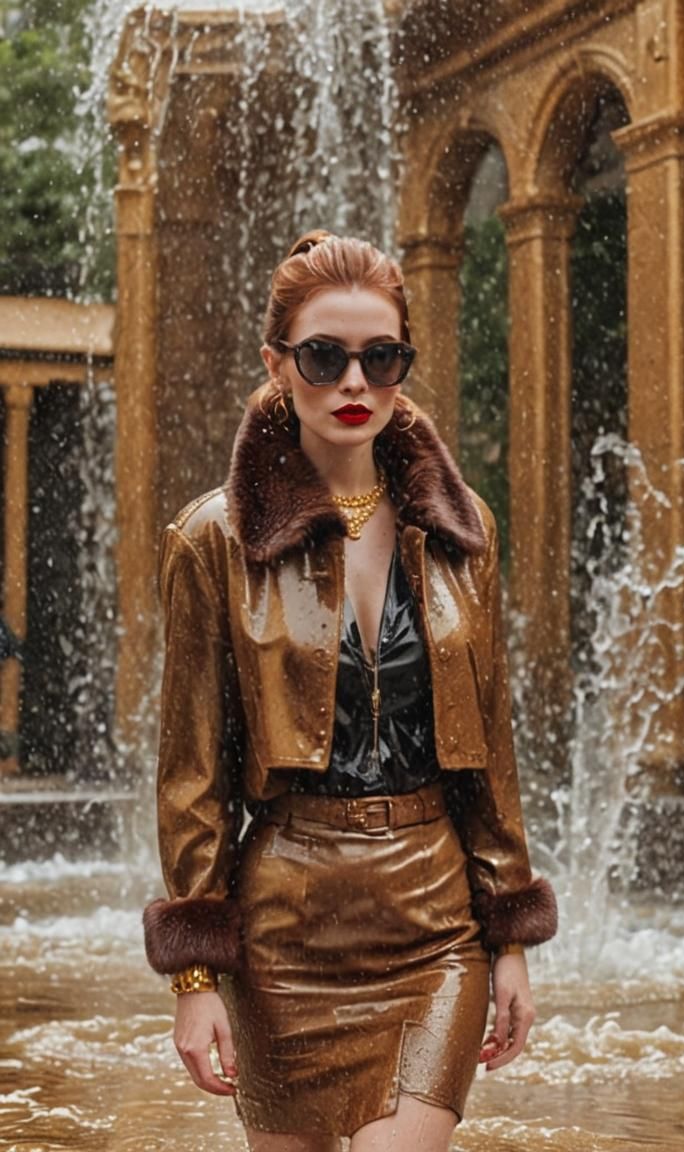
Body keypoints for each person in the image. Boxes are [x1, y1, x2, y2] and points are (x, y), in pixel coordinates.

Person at [142, 230, 558, 1152]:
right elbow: (192, 772)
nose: (354, 382)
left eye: (382, 357)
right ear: (277, 363)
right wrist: (195, 979)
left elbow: (490, 747)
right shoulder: (213, 539)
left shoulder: (463, 531)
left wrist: (510, 938)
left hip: (434, 925)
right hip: (284, 933)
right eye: (324, 357)